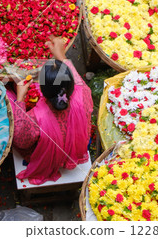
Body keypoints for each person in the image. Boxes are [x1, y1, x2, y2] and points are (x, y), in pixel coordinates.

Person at [6, 35, 93, 185]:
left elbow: (20, 141)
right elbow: (74, 76)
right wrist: (61, 56)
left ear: (43, 91)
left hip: (48, 156)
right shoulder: (83, 92)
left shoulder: (36, 117)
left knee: (7, 93)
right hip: (75, 146)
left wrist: (20, 99)